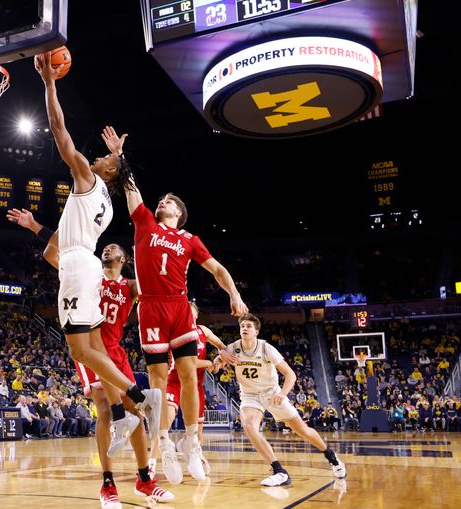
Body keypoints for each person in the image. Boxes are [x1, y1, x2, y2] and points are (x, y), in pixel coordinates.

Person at [20, 53, 161, 445]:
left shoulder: (86, 177)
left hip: (80, 265)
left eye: (107, 159)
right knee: (92, 347)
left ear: (110, 172)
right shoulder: (109, 201)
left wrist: (49, 83)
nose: (98, 157)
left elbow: (58, 129)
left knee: (80, 351)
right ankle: (124, 409)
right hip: (84, 264)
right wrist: (120, 156)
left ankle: (137, 399)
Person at [100, 125, 248, 482]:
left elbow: (216, 268)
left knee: (188, 376)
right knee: (157, 379)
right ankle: (163, 442)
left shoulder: (190, 238)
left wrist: (235, 294)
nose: (162, 200)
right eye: (162, 198)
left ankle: (193, 444)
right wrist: (120, 158)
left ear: (179, 213)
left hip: (179, 305)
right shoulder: (145, 223)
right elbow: (130, 189)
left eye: (169, 200)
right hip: (150, 306)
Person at [8, 208, 174, 508]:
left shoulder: (131, 286)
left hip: (116, 351)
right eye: (105, 247)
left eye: (115, 248)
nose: (108, 248)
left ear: (124, 260)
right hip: (89, 348)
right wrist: (35, 226)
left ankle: (144, 480)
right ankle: (108, 484)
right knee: (105, 410)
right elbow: (54, 253)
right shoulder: (91, 272)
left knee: (135, 416)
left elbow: (159, 284)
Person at [215, 314, 346, 486]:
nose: (244, 328)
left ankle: (331, 456)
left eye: (248, 326)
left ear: (256, 331)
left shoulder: (266, 348)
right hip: (250, 395)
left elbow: (290, 374)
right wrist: (218, 360)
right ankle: (279, 470)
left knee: (303, 431)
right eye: (242, 326)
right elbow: (219, 359)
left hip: (272, 393)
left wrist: (283, 393)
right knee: (249, 426)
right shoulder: (234, 348)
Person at [161, 302, 223, 483]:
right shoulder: (178, 331)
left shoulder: (203, 330)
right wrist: (211, 363)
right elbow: (190, 362)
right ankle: (154, 461)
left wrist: (222, 355)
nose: (187, 313)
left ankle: (194, 451)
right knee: (167, 419)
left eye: (191, 310)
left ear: (196, 314)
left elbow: (220, 345)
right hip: (174, 381)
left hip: (196, 384)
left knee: (198, 429)